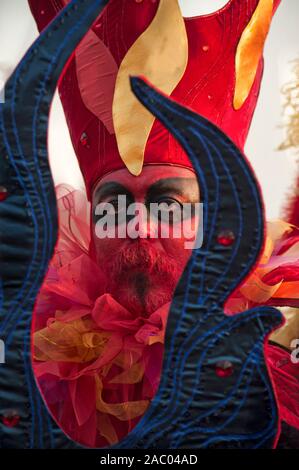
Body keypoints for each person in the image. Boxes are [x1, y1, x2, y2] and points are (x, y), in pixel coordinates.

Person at [28, 0, 299, 449]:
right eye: (112, 205)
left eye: (167, 203)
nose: (137, 225)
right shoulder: (36, 382)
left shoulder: (280, 393)